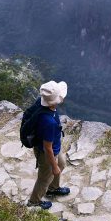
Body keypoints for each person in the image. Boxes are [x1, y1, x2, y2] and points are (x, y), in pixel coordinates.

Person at [27, 81, 71, 210]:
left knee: (61, 164)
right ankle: (34, 201)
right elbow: (47, 148)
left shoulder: (44, 105)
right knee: (44, 178)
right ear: (55, 101)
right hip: (46, 153)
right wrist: (53, 166)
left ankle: (53, 189)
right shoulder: (49, 122)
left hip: (53, 148)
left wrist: (57, 166)